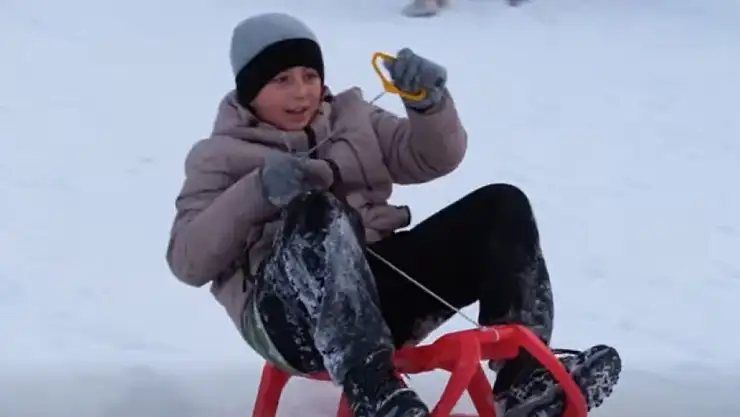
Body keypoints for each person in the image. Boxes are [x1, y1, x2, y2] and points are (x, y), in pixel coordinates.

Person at [165, 11, 621, 417]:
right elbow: (187, 261)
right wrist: (257, 191)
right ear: (249, 91)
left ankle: (527, 383)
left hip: (378, 292)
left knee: (502, 205)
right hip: (287, 317)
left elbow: (431, 157)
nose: (301, 91)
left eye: (309, 74)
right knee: (315, 210)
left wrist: (428, 105)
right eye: (281, 80)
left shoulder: (350, 117)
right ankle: (374, 391)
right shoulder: (218, 156)